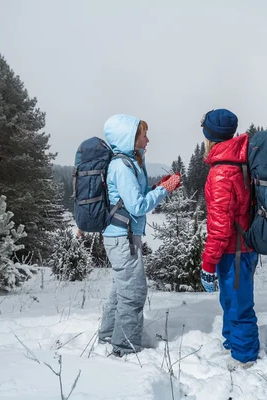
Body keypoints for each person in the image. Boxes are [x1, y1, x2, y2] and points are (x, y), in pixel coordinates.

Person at [98, 114, 181, 356]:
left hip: (123, 236)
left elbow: (138, 195)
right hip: (122, 238)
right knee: (133, 294)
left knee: (121, 291)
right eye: (143, 134)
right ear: (130, 138)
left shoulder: (130, 163)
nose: (147, 139)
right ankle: (124, 348)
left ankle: (107, 336)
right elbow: (138, 207)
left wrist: (159, 187)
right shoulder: (121, 167)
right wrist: (164, 190)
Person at [199, 108, 259, 368]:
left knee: (238, 306)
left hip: (233, 251)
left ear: (210, 136)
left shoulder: (222, 172)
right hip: (244, 247)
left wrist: (208, 263)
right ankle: (232, 343)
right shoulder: (241, 161)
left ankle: (244, 358)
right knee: (232, 301)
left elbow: (220, 225)